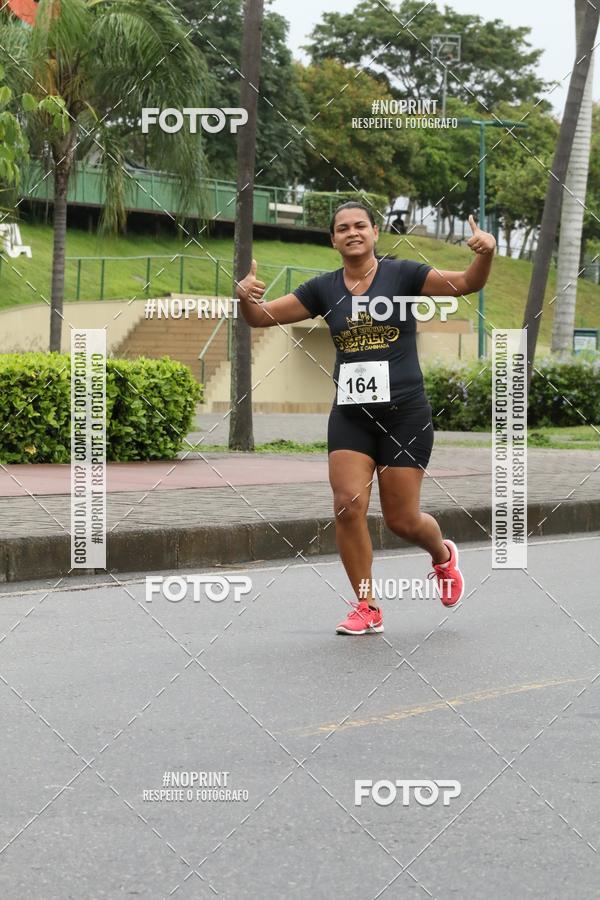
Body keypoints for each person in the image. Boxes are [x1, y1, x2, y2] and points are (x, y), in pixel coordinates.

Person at [235, 201, 496, 635]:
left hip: (405, 415)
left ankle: (443, 556)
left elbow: (467, 283)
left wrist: (485, 253)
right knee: (347, 505)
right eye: (343, 228)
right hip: (351, 416)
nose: (352, 232)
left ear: (375, 232)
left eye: (360, 225)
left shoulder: (403, 275)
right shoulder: (323, 289)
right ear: (333, 239)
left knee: (402, 521)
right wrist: (245, 299)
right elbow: (260, 318)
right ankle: (366, 605)